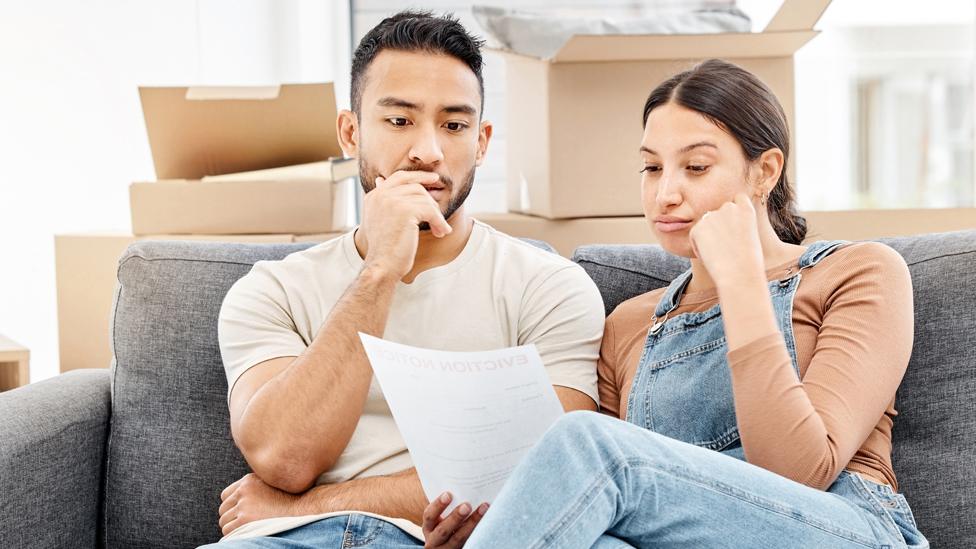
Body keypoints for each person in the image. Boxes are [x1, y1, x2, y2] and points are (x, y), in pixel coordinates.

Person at [423, 59, 929, 548]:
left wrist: (742, 284)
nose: (665, 193)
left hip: (838, 528)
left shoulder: (859, 273)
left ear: (765, 172)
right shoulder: (630, 324)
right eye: (651, 167)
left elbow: (801, 472)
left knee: (592, 444)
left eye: (696, 167)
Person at [200, 10, 606, 549]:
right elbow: (282, 457)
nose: (429, 151)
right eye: (399, 121)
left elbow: (551, 470)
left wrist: (310, 505)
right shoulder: (273, 290)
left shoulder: (550, 287)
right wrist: (380, 271)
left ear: (482, 142)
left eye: (455, 126)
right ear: (351, 132)